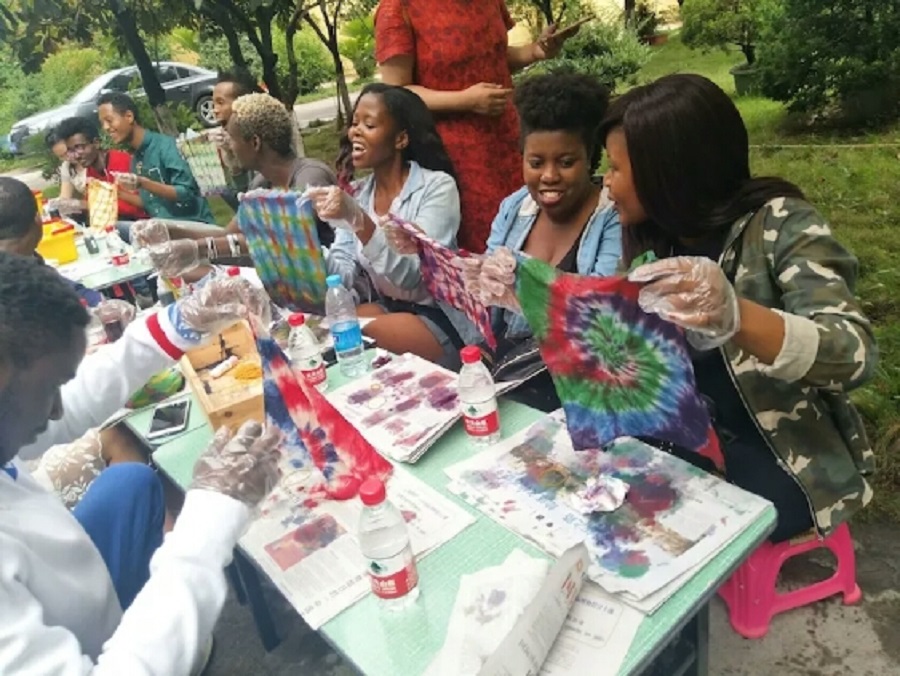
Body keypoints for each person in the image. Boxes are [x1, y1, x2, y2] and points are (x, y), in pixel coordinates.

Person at [600, 74, 876, 541]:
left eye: (615, 169)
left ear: (666, 172)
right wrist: (544, 302)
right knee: (602, 483)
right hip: (688, 429)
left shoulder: (781, 225)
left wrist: (736, 316)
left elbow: (853, 354)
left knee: (668, 523)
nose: (606, 184)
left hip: (783, 453)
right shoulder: (655, 239)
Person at [0, 252, 280, 674]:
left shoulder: (11, 403)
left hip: (65, 581)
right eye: (51, 387)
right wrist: (209, 521)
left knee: (129, 483)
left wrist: (179, 325)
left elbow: (60, 404)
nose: (57, 410)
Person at [447, 72, 621, 409]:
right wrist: (472, 276)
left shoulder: (611, 217)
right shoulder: (515, 208)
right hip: (509, 366)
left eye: (566, 162)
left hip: (576, 380)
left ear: (590, 157)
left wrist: (524, 280)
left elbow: (600, 311)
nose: (549, 176)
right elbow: (487, 308)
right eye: (536, 163)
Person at [375, 0, 582, 253]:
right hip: (457, 155)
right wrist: (466, 100)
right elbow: (396, 94)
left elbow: (493, 55)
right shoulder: (399, 8)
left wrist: (535, 51)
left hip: (511, 140)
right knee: (487, 246)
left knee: (533, 228)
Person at [306, 83, 464, 365]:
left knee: (351, 335)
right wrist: (303, 243)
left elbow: (412, 275)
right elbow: (343, 276)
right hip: (389, 309)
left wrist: (360, 221)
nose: (355, 131)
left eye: (369, 125)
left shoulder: (437, 187)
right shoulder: (359, 194)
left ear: (400, 139)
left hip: (439, 317)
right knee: (333, 325)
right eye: (355, 123)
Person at [133, 92, 338, 276]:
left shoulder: (310, 176)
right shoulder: (261, 184)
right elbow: (229, 235)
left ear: (255, 143)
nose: (229, 145)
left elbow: (284, 241)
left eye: (232, 138)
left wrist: (199, 249)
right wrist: (166, 230)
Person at [97, 92, 214, 224]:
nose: (105, 127)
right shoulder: (136, 160)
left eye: (109, 120)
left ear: (129, 116)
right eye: (102, 123)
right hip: (165, 229)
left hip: (195, 226)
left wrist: (143, 183)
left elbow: (186, 193)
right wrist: (116, 193)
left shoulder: (165, 146)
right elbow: (151, 203)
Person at [53, 116, 149, 224]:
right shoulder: (91, 170)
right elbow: (93, 203)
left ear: (96, 143)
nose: (76, 156)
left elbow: (142, 205)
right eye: (71, 151)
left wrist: (85, 205)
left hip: (141, 223)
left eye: (79, 147)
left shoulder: (122, 161)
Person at [211, 69, 263, 210]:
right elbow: (242, 207)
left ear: (242, 103)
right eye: (213, 104)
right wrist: (232, 164)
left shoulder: (263, 142)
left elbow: (252, 207)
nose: (215, 110)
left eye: (220, 102)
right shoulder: (236, 145)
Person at [48, 127, 87, 199]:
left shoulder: (89, 158)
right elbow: (65, 196)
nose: (68, 158)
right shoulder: (67, 166)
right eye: (61, 156)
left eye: (67, 151)